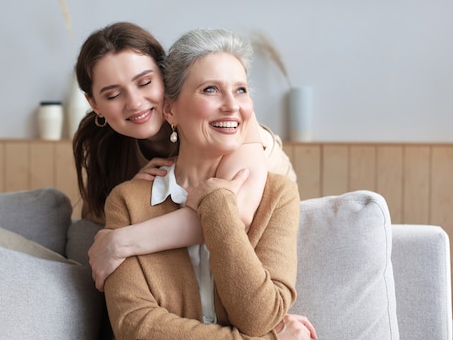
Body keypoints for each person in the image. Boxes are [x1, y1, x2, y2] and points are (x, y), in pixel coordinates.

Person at [103, 27, 315, 340]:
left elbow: (258, 316)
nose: (232, 105)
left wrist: (216, 201)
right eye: (210, 90)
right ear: (170, 110)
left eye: (241, 90)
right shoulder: (127, 202)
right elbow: (136, 328)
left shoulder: (278, 195)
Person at [73, 22, 297, 290]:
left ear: (166, 77)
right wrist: (132, 198)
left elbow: (231, 215)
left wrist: (123, 241)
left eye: (145, 82)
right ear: (94, 104)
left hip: (269, 253)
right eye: (113, 95)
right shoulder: (107, 145)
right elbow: (92, 220)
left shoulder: (228, 122)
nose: (134, 102)